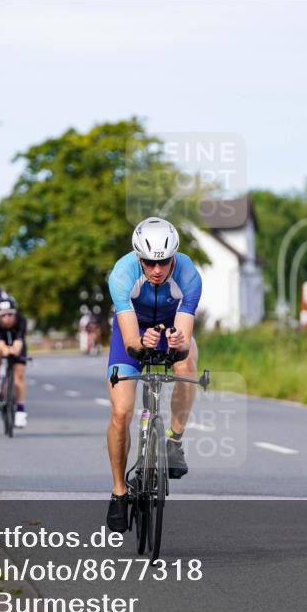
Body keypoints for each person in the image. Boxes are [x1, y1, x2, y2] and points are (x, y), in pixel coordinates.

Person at [104, 217, 202, 532]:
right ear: (138, 258)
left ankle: (173, 440)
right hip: (133, 330)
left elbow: (184, 341)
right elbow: (131, 339)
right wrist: (139, 344)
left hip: (171, 327)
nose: (157, 270)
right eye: (149, 263)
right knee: (121, 411)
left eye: (163, 262)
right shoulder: (121, 274)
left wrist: (177, 343)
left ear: (174, 257)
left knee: (186, 367)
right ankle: (119, 490)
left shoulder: (189, 276)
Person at [0, 296, 29, 428]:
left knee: (19, 376)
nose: (7, 318)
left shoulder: (21, 321)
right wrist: (5, 350)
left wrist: (15, 350)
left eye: (10, 314)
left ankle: (21, 412)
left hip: (16, 344)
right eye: (3, 315)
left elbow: (19, 341)